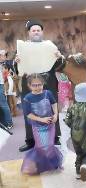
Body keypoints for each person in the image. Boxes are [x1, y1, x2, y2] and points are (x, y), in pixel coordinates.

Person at [15, 20, 65, 152]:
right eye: (33, 30)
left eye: (38, 30)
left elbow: (60, 66)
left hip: (48, 81)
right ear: (29, 33)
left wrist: (59, 57)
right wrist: (16, 62)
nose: (36, 32)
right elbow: (18, 70)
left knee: (52, 106)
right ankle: (30, 140)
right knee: (28, 109)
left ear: (42, 32)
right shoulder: (23, 47)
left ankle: (55, 137)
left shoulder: (49, 46)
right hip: (29, 82)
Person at [21, 74, 63, 175]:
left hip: (50, 125)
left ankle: (53, 163)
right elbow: (29, 114)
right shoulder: (28, 98)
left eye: (39, 84)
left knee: (49, 144)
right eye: (34, 85)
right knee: (40, 146)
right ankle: (38, 165)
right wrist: (41, 119)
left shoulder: (47, 93)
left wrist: (56, 114)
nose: (37, 87)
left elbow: (54, 103)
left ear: (43, 84)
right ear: (29, 86)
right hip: (38, 127)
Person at [0, 50, 13, 129]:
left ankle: (9, 123)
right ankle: (4, 122)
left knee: (3, 104)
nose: (4, 56)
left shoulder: (5, 63)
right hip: (2, 84)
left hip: (0, 84)